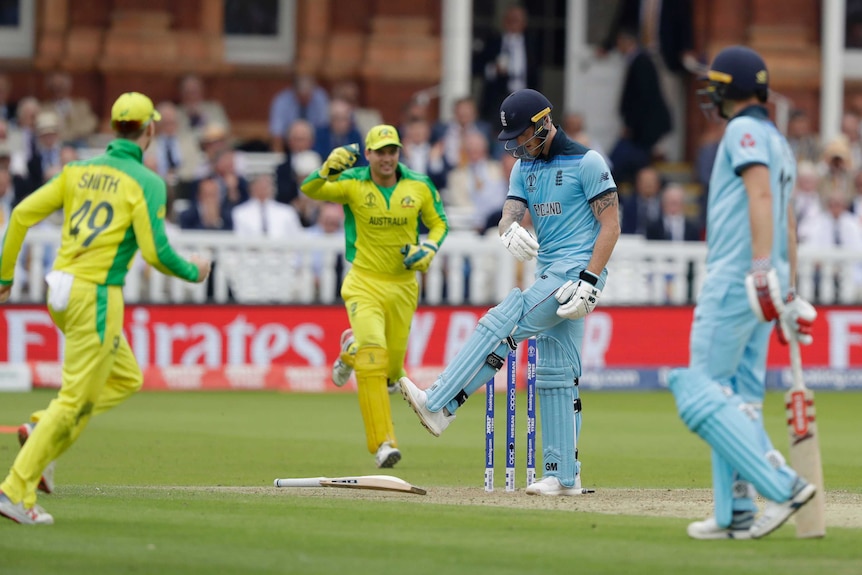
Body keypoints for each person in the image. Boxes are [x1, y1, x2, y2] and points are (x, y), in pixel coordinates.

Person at [0, 92, 211, 525]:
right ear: (149, 129)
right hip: (97, 296)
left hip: (59, 288)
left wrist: (4, 279)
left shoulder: (77, 170)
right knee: (76, 401)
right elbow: (155, 254)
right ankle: (14, 490)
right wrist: (196, 271)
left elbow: (20, 214)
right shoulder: (146, 181)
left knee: (126, 377)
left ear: (114, 127)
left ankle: (40, 428)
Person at [399, 88, 621, 496]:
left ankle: (439, 405)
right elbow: (510, 211)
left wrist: (591, 279)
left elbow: (611, 225)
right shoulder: (524, 167)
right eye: (513, 139)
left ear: (544, 123)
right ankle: (563, 475)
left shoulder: (587, 162)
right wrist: (508, 229)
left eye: (524, 135)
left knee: (507, 317)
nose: (518, 145)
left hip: (577, 273)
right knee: (558, 368)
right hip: (549, 269)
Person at [670, 46, 817, 540]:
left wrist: (757, 268)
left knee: (700, 392)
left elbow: (760, 195)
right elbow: (788, 223)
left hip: (738, 279)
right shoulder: (778, 139)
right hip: (764, 285)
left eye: (714, 86)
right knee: (739, 400)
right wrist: (787, 289)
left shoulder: (743, 130)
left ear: (727, 90)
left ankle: (780, 486)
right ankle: (736, 511)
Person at [300, 125, 449, 469]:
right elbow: (311, 189)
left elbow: (440, 222)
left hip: (403, 286)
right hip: (364, 282)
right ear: (368, 154)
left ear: (398, 153)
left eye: (392, 151)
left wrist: (428, 248)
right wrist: (327, 167)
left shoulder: (418, 185)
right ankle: (383, 443)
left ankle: (349, 349)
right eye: (380, 152)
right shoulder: (353, 182)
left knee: (393, 372)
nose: (386, 158)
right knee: (373, 359)